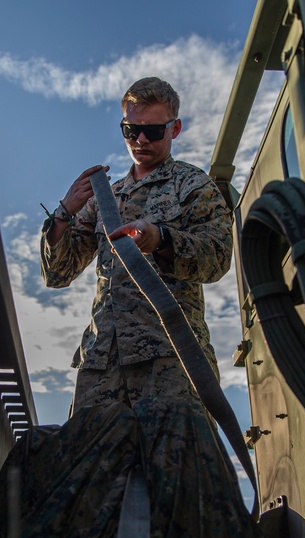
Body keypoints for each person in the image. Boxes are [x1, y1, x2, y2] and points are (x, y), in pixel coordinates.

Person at [40, 76, 234, 414]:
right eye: (131, 131)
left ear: (174, 129)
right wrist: (63, 213)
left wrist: (160, 238)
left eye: (153, 131)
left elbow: (218, 258)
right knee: (92, 465)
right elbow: (57, 275)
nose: (140, 140)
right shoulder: (105, 197)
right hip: (101, 365)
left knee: (177, 465)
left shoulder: (191, 185)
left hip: (171, 358)